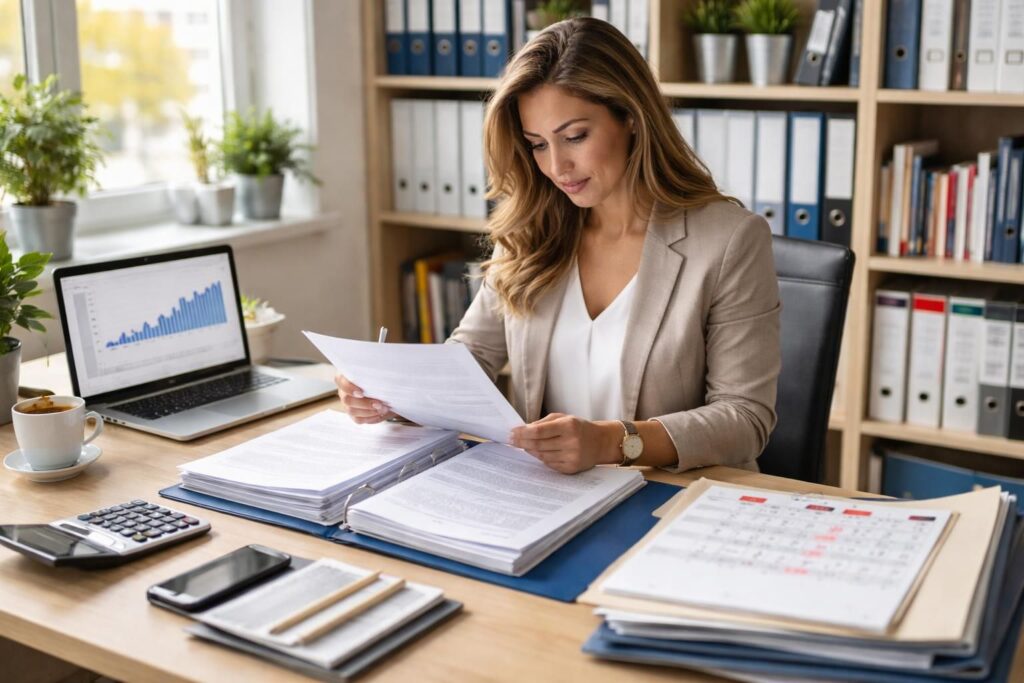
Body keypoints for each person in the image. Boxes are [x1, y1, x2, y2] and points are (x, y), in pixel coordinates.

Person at [336, 17, 780, 475]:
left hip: (669, 498)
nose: (557, 166)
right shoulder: (533, 229)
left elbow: (744, 418)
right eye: (537, 144)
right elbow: (471, 358)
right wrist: (394, 396)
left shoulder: (729, 240)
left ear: (630, 116)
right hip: (548, 497)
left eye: (574, 137)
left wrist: (611, 441)